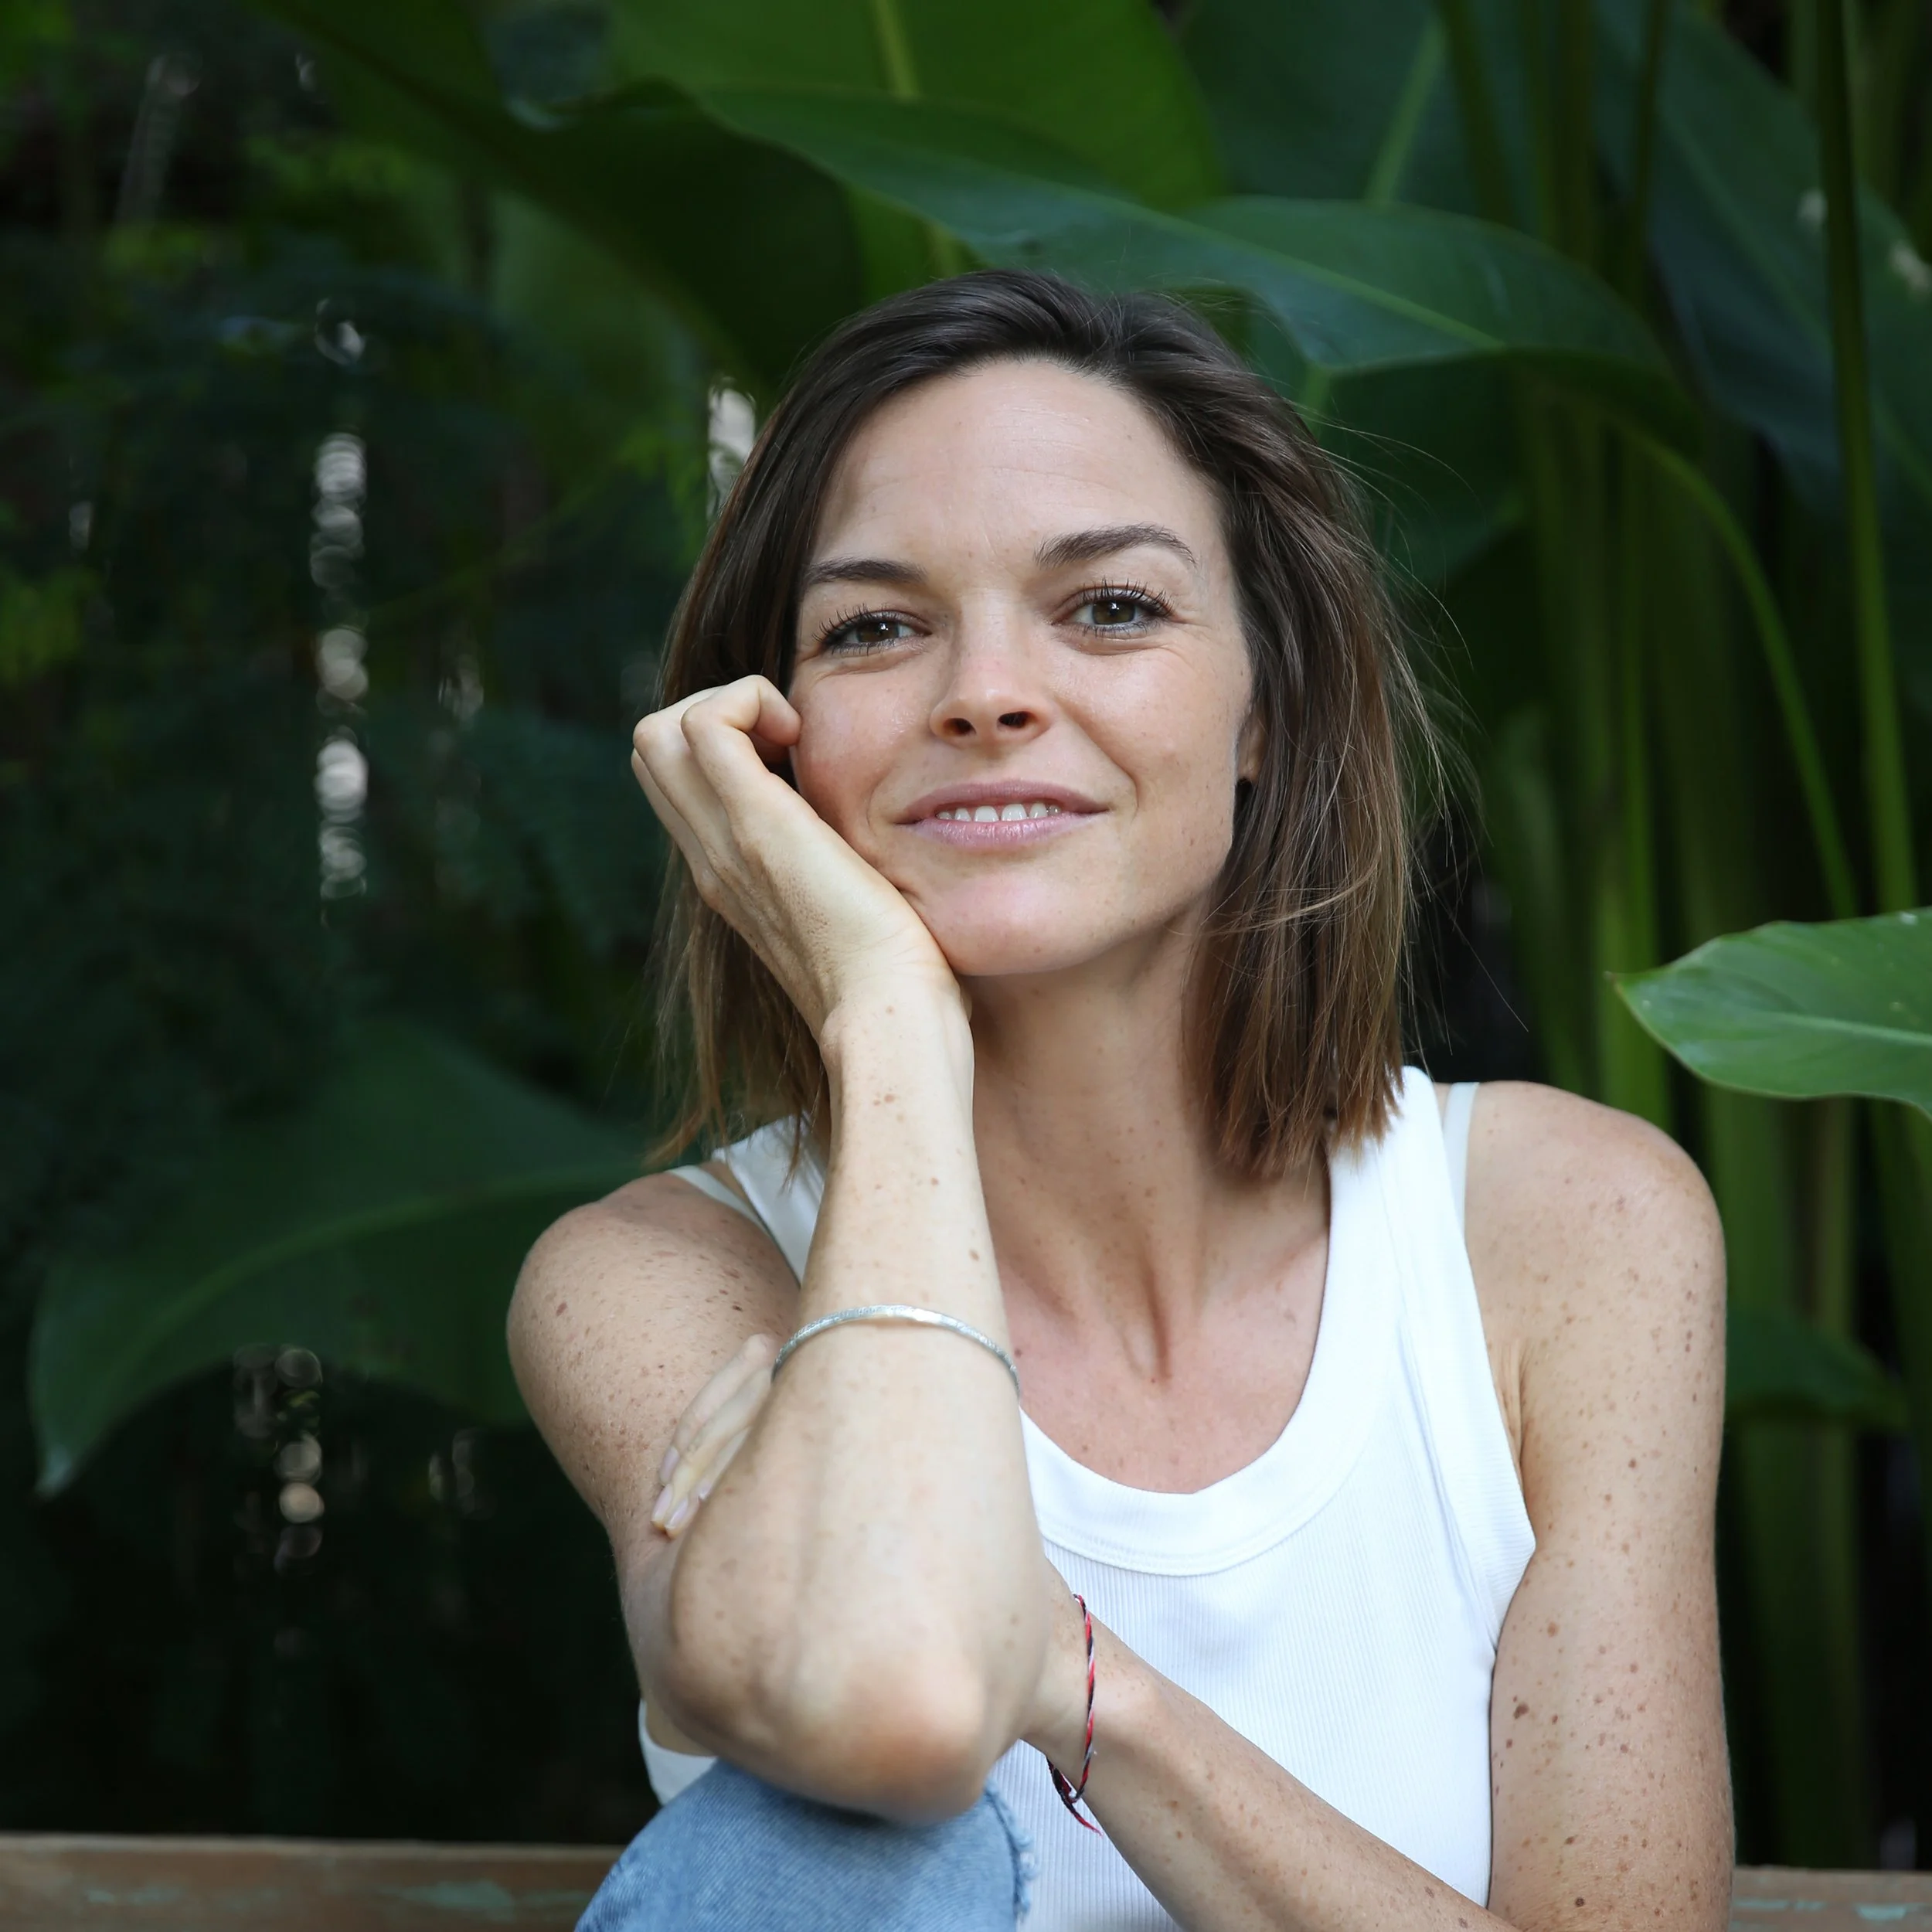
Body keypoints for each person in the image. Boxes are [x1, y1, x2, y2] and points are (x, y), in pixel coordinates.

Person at [509, 270, 1731, 1932]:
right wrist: (888, 1020)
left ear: (1263, 713)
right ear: (776, 754)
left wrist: (1083, 1682)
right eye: (874, 628)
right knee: (845, 1841)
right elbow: (899, 1701)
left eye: (1106, 608)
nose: (984, 692)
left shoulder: (1562, 1234)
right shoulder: (652, 1282)